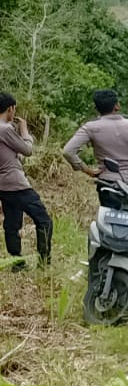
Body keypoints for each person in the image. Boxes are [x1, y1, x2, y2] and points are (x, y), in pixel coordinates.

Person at [63, 88, 128, 196]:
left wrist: (87, 170)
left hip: (107, 184)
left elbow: (68, 151)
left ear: (96, 108)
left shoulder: (90, 128)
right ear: (117, 106)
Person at [0, 91, 50, 269]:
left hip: (3, 186)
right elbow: (27, 150)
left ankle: (17, 262)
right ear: (10, 109)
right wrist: (25, 131)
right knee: (43, 220)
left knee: (12, 223)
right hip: (16, 184)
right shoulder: (5, 129)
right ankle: (44, 262)